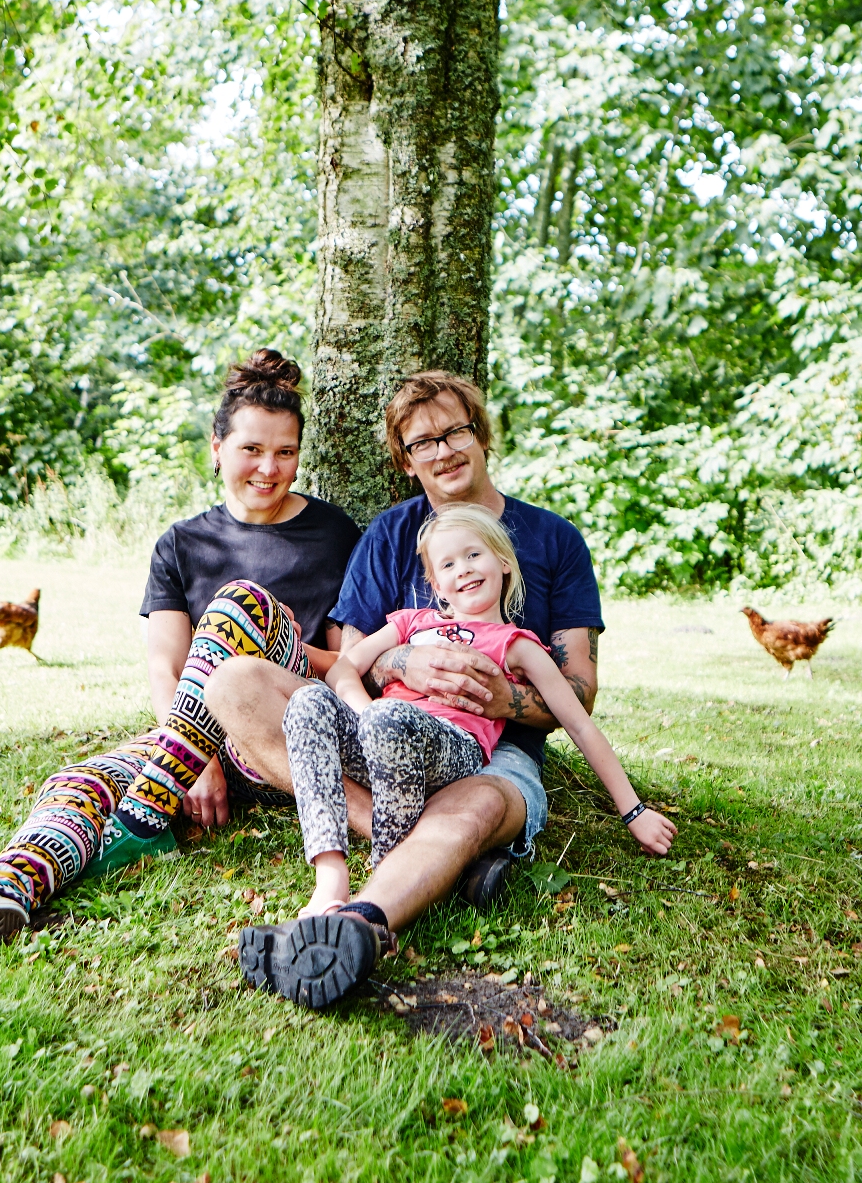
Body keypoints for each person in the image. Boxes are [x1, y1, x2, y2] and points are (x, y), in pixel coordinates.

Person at [0, 350, 361, 947]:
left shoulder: (333, 532)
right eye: (251, 450)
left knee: (240, 605)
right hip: (200, 745)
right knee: (78, 780)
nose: (268, 468)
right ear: (216, 448)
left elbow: (345, 664)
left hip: (287, 725)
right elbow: (166, 664)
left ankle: (141, 815)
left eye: (285, 452)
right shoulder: (181, 544)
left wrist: (249, 645)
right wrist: (199, 759)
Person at [206, 371, 614, 1010]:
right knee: (234, 683)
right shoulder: (391, 537)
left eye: (456, 432)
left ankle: (360, 923)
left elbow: (580, 689)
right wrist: (402, 661)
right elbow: (348, 661)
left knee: (476, 805)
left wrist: (500, 698)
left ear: (481, 437)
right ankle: (443, 862)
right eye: (424, 442)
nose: (444, 450)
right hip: (385, 724)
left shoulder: (553, 539)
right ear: (405, 460)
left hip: (490, 750)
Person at [284, 504, 674, 932]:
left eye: (474, 555)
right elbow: (343, 668)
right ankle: (331, 879)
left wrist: (634, 811)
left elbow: (578, 722)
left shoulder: (516, 644)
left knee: (391, 718)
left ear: (503, 562)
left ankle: (388, 874)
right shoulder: (412, 623)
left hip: (454, 750)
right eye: (448, 563)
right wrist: (364, 710)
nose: (464, 569)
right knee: (307, 703)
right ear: (435, 583)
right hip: (381, 732)